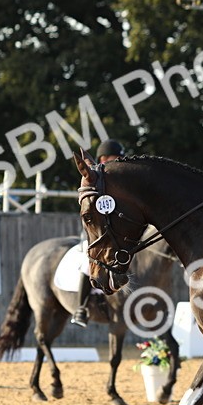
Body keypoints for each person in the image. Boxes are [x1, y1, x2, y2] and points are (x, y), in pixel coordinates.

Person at [71, 139, 126, 327]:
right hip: (94, 229)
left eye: (121, 157)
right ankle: (81, 307)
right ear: (104, 158)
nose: (119, 160)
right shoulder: (95, 175)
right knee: (86, 264)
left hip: (116, 229)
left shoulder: (118, 177)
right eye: (116, 157)